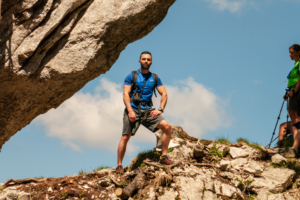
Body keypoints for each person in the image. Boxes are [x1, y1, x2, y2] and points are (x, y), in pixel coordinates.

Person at [116, 51, 173, 174]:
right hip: (132, 110)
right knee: (125, 137)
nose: (146, 61)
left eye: (148, 59)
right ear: (139, 61)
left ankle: (163, 157)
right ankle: (119, 165)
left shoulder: (155, 78)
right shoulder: (132, 76)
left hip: (148, 111)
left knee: (167, 126)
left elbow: (164, 94)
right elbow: (125, 94)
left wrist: (160, 109)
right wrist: (130, 111)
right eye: (144, 59)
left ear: (151, 62)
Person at [283, 44, 300, 158]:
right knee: (292, 116)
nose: (290, 55)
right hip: (292, 92)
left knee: (297, 118)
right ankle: (295, 144)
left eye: (292, 52)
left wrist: (294, 91)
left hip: (297, 92)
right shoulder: (296, 64)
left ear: (298, 52)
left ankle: (295, 147)